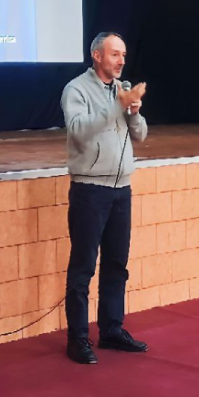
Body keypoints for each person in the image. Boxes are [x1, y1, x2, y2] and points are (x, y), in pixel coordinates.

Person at [60, 32, 149, 364]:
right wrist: (117, 106)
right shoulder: (76, 90)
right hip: (90, 189)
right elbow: (79, 130)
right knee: (83, 267)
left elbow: (140, 135)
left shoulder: (121, 91)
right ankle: (78, 338)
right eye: (115, 54)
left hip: (121, 188)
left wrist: (134, 111)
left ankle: (112, 329)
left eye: (124, 55)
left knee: (116, 264)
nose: (121, 60)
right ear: (97, 55)